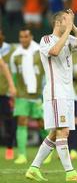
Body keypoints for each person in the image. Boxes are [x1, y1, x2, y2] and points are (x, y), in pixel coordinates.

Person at [25, 9, 77, 182]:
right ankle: (70, 173)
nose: (68, 23)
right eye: (66, 20)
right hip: (56, 92)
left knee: (55, 133)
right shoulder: (46, 39)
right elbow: (54, 51)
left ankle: (33, 168)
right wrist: (68, 31)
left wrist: (73, 26)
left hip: (68, 93)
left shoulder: (69, 38)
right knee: (63, 131)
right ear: (58, 22)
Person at [10, 28, 46, 165]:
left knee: (42, 123)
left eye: (26, 36)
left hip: (38, 94)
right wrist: (14, 90)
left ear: (31, 37)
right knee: (22, 120)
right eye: (21, 37)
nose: (23, 39)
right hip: (22, 94)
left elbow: (46, 73)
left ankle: (47, 152)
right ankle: (22, 155)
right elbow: (14, 75)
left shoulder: (39, 51)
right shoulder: (16, 55)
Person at [0, 30, 17, 160]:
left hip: (5, 93)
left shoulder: (11, 50)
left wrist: (12, 85)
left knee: (8, 121)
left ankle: (10, 148)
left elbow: (5, 68)